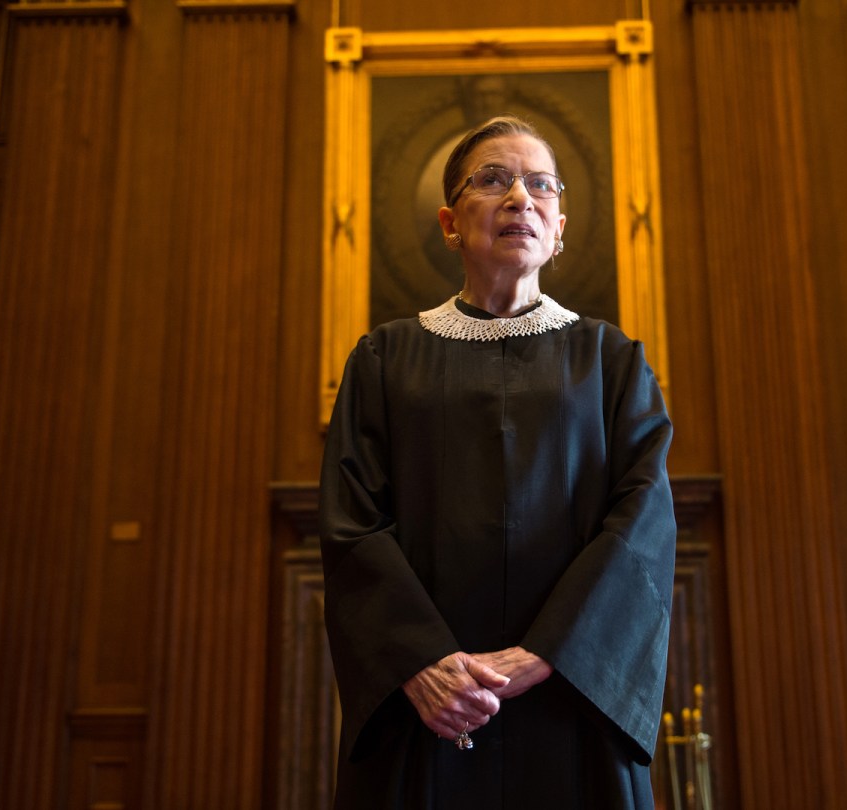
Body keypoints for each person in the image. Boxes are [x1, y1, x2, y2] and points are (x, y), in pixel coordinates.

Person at [319, 115, 677, 809]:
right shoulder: (383, 359)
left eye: (539, 183)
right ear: (452, 223)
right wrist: (420, 662)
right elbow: (351, 523)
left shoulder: (612, 362)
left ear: (560, 225)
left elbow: (642, 525)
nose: (521, 197)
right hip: (429, 706)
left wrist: (550, 652)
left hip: (573, 698)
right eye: (494, 180)